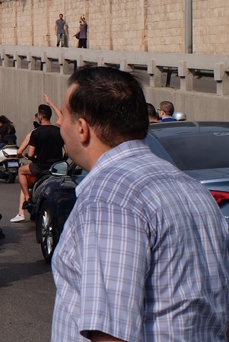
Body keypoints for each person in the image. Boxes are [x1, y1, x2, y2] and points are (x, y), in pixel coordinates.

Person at [51, 66, 229, 341]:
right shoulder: (193, 190)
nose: (60, 125)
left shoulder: (109, 197)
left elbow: (110, 333)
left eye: (63, 116)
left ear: (82, 129)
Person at [11, 104, 65, 222]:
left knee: (21, 171)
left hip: (40, 167)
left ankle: (27, 199)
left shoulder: (36, 133)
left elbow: (30, 154)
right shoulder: (59, 131)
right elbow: (66, 152)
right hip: (56, 167)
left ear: (40, 117)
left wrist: (29, 157)